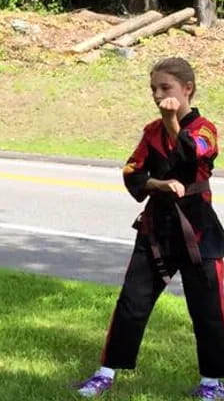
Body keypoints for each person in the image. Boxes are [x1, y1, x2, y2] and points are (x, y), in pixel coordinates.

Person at [76, 57, 224, 399]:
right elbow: (133, 172)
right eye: (154, 89)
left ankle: (213, 381)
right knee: (132, 301)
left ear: (187, 89)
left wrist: (173, 120)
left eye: (166, 88)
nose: (158, 96)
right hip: (156, 230)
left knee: (209, 309)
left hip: (198, 233)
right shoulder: (151, 131)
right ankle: (105, 373)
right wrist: (157, 184)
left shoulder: (205, 129)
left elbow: (194, 155)